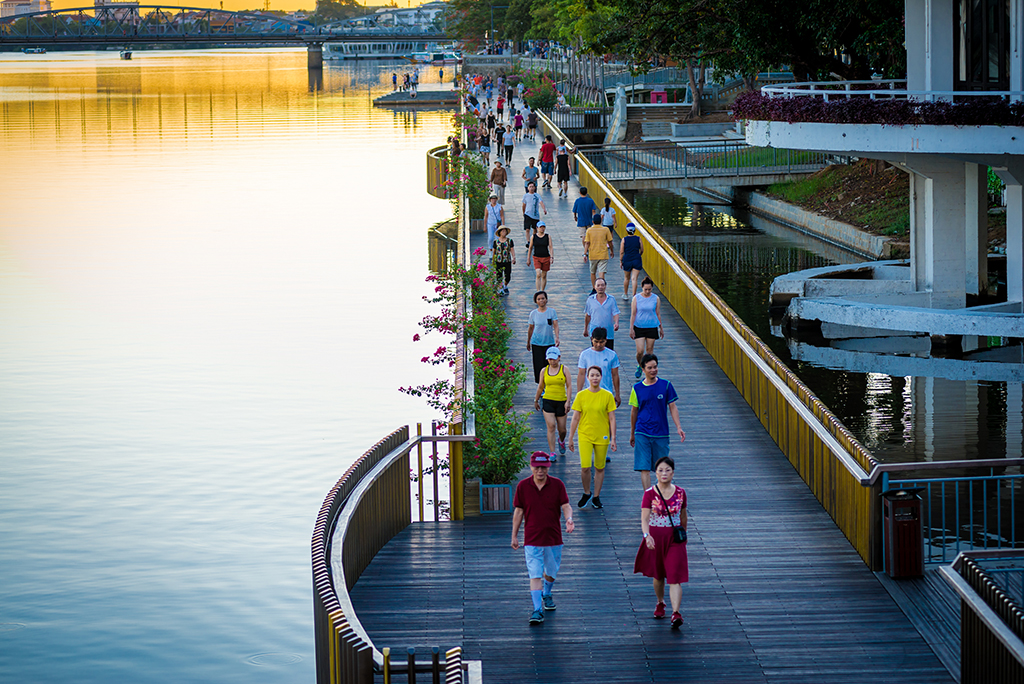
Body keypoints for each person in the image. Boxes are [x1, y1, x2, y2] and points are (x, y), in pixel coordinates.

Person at [512, 452, 574, 625]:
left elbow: (566, 505)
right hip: (532, 538)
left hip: (553, 537)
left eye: (543, 467)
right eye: (537, 467)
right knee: (535, 574)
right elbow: (518, 512)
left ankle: (547, 593)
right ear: (531, 467)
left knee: (551, 572)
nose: (540, 470)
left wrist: (569, 519)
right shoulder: (523, 486)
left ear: (548, 467)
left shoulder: (558, 484)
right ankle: (537, 610)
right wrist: (514, 536)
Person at [634, 455, 688, 628]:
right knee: (658, 575)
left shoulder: (680, 492)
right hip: (655, 538)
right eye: (660, 470)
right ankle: (660, 601)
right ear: (655, 473)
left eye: (668, 470)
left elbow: (683, 515)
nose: (664, 473)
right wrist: (646, 535)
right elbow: (644, 518)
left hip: (674, 538)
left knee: (674, 576)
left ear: (673, 473)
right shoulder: (649, 494)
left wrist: (684, 535)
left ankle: (676, 612)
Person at [629, 354, 685, 490]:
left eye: (655, 367)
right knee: (644, 467)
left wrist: (678, 427)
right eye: (649, 368)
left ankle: (663, 495)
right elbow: (634, 411)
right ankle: (648, 498)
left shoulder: (666, 385)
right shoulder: (637, 388)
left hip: (661, 432)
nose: (653, 370)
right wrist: (632, 433)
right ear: (643, 369)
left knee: (663, 467)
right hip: (642, 431)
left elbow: (672, 406)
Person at [567, 366, 617, 509]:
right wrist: (570, 437)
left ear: (601, 377)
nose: (595, 378)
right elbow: (575, 417)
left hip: (602, 435)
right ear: (587, 377)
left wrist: (613, 438)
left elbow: (612, 418)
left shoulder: (607, 395)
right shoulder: (581, 395)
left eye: (597, 375)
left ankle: (596, 496)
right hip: (585, 435)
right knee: (585, 467)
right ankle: (586, 492)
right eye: (592, 375)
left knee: (599, 467)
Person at [534, 346, 570, 460]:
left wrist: (568, 401)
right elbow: (541, 386)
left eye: (554, 359)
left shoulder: (565, 369)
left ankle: (561, 440)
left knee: (562, 429)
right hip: (548, 400)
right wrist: (536, 399)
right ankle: (552, 452)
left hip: (561, 401)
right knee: (551, 426)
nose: (552, 361)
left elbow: (569, 386)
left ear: (559, 358)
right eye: (550, 359)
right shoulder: (544, 371)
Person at [576, 326, 620, 405]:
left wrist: (617, 394)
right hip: (589, 393)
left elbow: (615, 375)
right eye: (596, 341)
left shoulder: (612, 355)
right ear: (591, 339)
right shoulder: (585, 354)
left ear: (606, 340)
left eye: (602, 342)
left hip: (607, 393)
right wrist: (579, 393)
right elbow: (581, 374)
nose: (599, 345)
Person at [629, 277, 663, 377]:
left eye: (649, 289)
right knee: (640, 351)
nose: (647, 291)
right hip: (639, 326)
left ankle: (647, 371)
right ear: (642, 288)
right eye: (645, 289)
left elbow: (658, 313)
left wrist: (661, 327)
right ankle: (641, 365)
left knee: (649, 351)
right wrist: (631, 328)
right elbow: (633, 314)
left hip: (652, 326)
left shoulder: (656, 298)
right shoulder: (636, 298)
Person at [527, 290, 560, 382]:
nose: (541, 300)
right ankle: (540, 385)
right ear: (536, 301)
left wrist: (557, 337)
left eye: (543, 298)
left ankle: (548, 382)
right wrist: (528, 341)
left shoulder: (552, 312)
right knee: (538, 365)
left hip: (549, 342)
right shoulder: (533, 314)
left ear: (546, 300)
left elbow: (555, 324)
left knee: (549, 364)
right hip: (536, 342)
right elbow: (530, 328)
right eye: (539, 299)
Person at [583, 278, 620, 351]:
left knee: (609, 352)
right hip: (594, 331)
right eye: (598, 285)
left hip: (608, 332)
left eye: (602, 285)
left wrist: (616, 323)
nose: (600, 287)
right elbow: (588, 315)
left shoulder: (611, 299)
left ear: (605, 286)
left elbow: (615, 312)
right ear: (595, 287)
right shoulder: (590, 300)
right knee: (596, 351)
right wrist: (585, 329)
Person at [584, 214, 614, 290]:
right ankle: (601, 288)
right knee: (601, 272)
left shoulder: (589, 230)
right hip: (603, 254)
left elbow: (587, 243)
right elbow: (610, 241)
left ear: (593, 221)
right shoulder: (606, 229)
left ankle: (594, 288)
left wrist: (585, 254)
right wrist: (611, 251)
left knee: (592, 272)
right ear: (601, 221)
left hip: (593, 254)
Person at [521, 181, 546, 257]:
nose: (531, 188)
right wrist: (523, 212)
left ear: (535, 188)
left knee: (535, 229)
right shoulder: (525, 196)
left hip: (535, 215)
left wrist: (544, 209)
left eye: (532, 187)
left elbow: (541, 202)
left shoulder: (537, 195)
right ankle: (528, 241)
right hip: (527, 214)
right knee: (527, 229)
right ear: (528, 188)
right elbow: (523, 205)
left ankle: (534, 240)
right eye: (530, 187)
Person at [620, 222, 644, 299]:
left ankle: (625, 294)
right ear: (635, 230)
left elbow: (621, 252)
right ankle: (634, 295)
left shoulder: (624, 240)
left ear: (626, 230)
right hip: (636, 259)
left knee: (627, 278)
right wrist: (639, 254)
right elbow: (642, 249)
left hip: (627, 260)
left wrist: (621, 261)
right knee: (634, 278)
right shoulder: (638, 238)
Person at [528, 220, 553, 290]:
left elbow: (550, 247)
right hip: (536, 257)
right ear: (537, 228)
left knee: (544, 275)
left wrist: (552, 257)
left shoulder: (548, 236)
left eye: (543, 227)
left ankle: (542, 290)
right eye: (540, 227)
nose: (542, 229)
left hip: (545, 257)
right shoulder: (533, 237)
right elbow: (530, 248)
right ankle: (538, 290)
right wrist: (528, 258)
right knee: (538, 274)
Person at [492, 226, 516, 296]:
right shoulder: (496, 242)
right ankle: (501, 289)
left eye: (505, 231)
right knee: (499, 276)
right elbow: (494, 251)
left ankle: (505, 285)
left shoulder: (509, 241)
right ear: (499, 232)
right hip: (499, 261)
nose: (504, 232)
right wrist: (493, 260)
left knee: (508, 275)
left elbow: (512, 249)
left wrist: (514, 257)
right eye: (502, 231)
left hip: (507, 261)